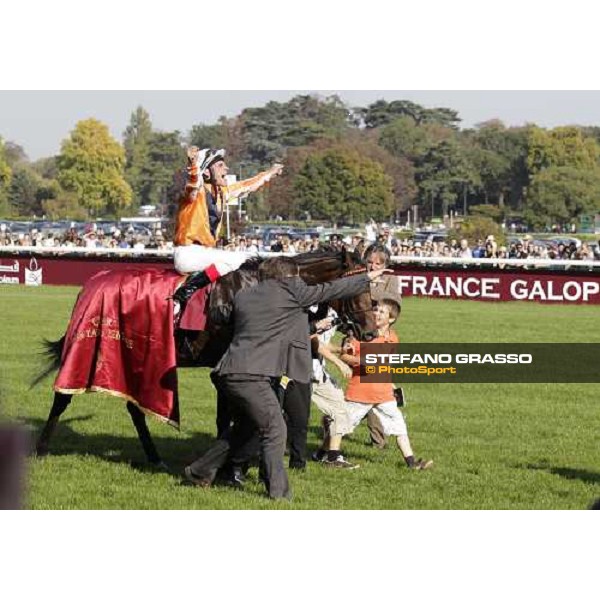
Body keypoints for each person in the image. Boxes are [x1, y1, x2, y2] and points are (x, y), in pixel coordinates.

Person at [183, 257, 391, 499]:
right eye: (296, 277)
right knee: (275, 428)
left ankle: (199, 470)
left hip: (227, 372)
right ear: (287, 277)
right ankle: (279, 494)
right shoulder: (290, 291)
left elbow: (222, 314)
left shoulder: (245, 295)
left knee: (246, 427)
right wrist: (366, 278)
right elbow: (332, 289)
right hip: (252, 376)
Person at [172, 146, 283, 306]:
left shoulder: (222, 193)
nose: (226, 168)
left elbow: (246, 185)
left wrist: (269, 173)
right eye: (220, 165)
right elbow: (192, 184)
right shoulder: (195, 194)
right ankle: (188, 289)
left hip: (204, 253)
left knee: (236, 261)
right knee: (245, 259)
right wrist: (192, 164)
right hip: (188, 254)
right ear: (207, 172)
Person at [340, 298, 433, 470]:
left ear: (391, 319)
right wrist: (361, 361)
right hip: (362, 392)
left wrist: (392, 386)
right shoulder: (361, 334)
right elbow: (344, 356)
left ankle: (411, 462)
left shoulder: (393, 339)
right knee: (341, 426)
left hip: (383, 394)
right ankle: (326, 453)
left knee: (399, 425)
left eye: (382, 312)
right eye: (375, 310)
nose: (376, 313)